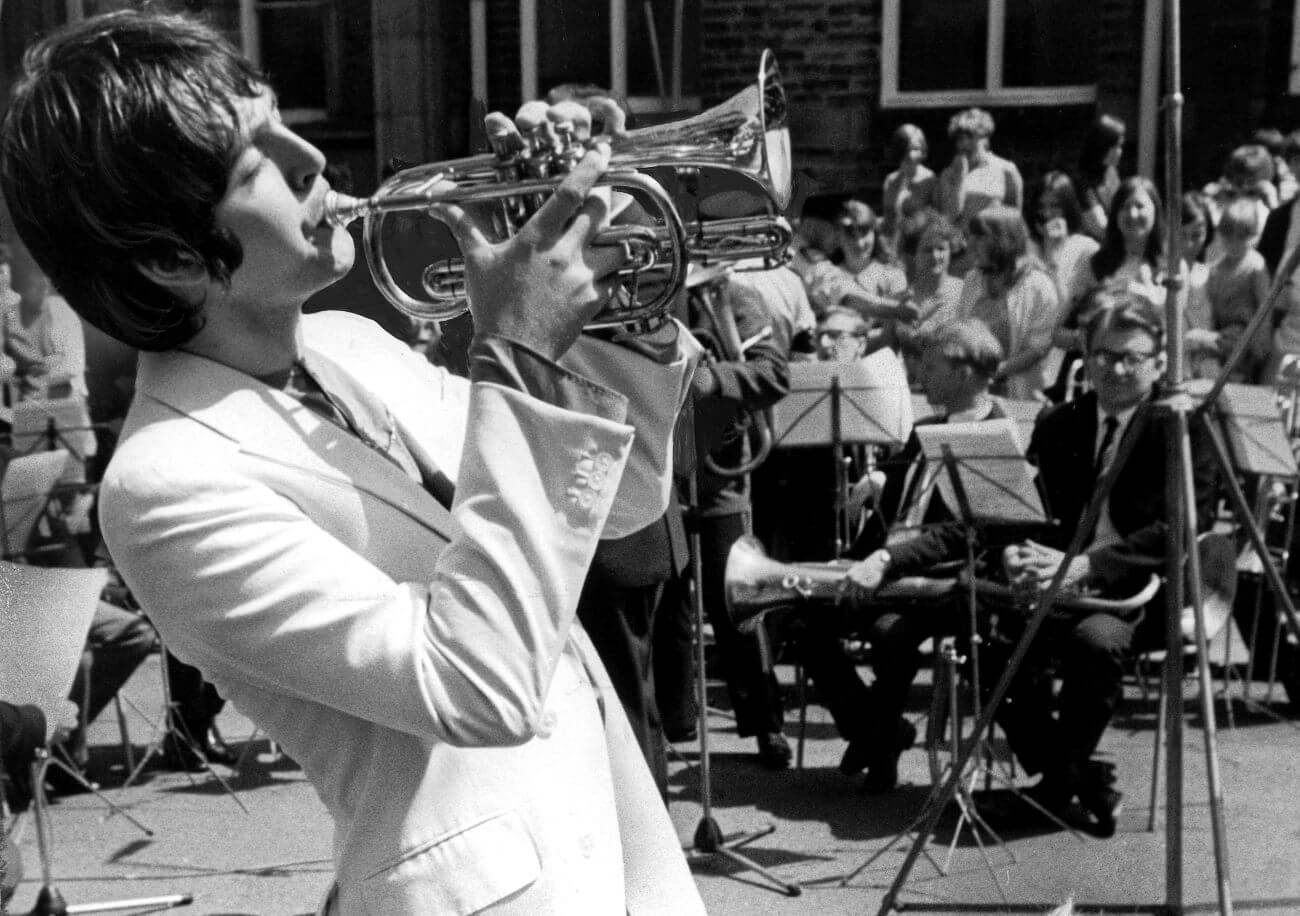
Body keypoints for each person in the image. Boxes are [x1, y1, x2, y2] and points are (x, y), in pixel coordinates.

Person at [0, 11, 706, 915]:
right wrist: (519, 357)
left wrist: (611, 311)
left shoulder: (349, 344)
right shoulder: (162, 483)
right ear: (172, 259)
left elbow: (619, 505)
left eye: (282, 116)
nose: (312, 157)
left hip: (617, 849)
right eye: (256, 157)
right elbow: (474, 682)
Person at [993, 293, 1218, 837]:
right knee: (991, 641)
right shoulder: (1059, 421)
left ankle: (1056, 784)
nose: (1115, 368)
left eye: (1131, 357)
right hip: (1058, 581)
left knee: (1093, 645)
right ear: (1085, 358)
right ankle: (1079, 775)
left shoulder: (1181, 427)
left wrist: (1086, 567)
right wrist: (1015, 549)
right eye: (1103, 355)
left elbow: (1180, 529)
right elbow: (1028, 507)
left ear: (1159, 363)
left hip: (1138, 589)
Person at [797, 320, 1010, 792]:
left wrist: (887, 561)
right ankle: (880, 732)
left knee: (889, 634)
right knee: (804, 624)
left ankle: (877, 738)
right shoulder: (925, 428)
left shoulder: (998, 434)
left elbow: (963, 535)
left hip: (943, 579)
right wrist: (853, 557)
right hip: (889, 568)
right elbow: (893, 515)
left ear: (963, 372)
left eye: (930, 367)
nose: (920, 377)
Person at [956, 205, 1060, 400]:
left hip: (1022, 396)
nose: (970, 244)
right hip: (975, 393)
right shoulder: (973, 279)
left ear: (1004, 240)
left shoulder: (1039, 286)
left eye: (980, 237)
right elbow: (961, 330)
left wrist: (997, 371)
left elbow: (1039, 348)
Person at [1202, 196, 1273, 382]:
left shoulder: (1255, 266)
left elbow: (1265, 309)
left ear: (1253, 236)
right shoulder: (1217, 267)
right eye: (1228, 237)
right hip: (1219, 338)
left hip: (1245, 345)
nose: (1233, 244)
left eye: (1240, 238)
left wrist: (1260, 348)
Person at [935, 108, 1024, 235]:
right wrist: (960, 178)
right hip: (962, 248)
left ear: (985, 138)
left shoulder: (1006, 170)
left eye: (970, 137)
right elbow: (948, 218)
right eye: (960, 139)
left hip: (993, 245)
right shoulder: (948, 174)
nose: (964, 143)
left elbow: (1015, 220)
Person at [880, 124, 936, 242]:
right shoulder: (890, 180)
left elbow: (935, 216)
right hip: (895, 244)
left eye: (915, 149)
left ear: (923, 150)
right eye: (905, 149)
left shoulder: (930, 179)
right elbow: (887, 218)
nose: (910, 155)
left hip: (920, 244)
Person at [1077, 114, 1126, 242]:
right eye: (1117, 146)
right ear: (1102, 146)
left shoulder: (1111, 172)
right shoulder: (1084, 183)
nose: (1120, 151)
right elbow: (1100, 228)